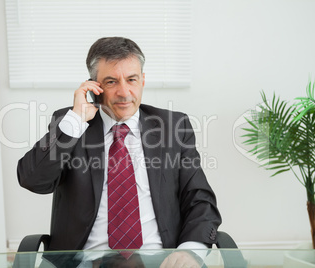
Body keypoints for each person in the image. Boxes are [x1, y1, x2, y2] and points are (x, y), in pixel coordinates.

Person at [17, 37, 222, 268]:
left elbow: (200, 199)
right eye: (112, 82)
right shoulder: (71, 125)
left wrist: (190, 252)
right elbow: (32, 180)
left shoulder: (173, 126)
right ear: (94, 86)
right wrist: (75, 121)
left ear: (143, 80)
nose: (124, 92)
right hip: (85, 261)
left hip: (161, 260)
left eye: (132, 79)